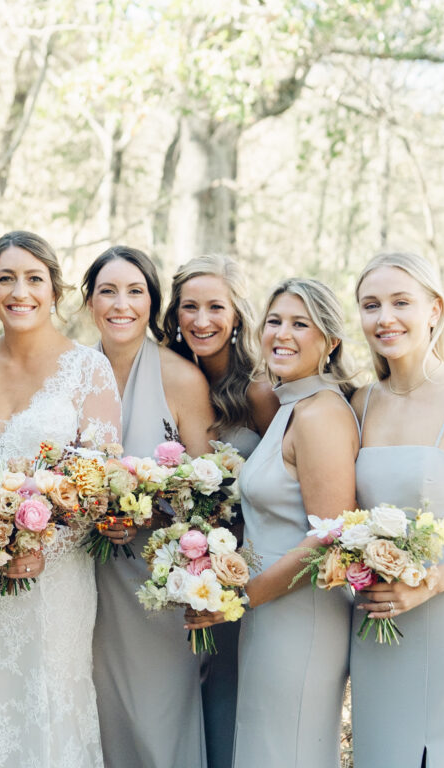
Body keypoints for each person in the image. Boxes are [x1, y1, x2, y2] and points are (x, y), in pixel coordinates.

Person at [0, 230, 120, 768]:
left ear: (54, 289)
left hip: (55, 575)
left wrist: (40, 543)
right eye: (6, 279)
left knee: (50, 701)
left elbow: (99, 476)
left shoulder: (88, 368)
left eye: (34, 279)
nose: (21, 291)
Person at [186, 277, 359, 768]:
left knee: (287, 751)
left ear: (330, 341)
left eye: (299, 324)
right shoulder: (290, 407)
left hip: (301, 618)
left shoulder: (321, 414)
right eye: (276, 321)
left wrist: (241, 600)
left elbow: (329, 541)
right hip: (268, 612)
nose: (282, 334)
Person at [86, 245, 215, 768]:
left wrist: (152, 515)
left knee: (158, 720)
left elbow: (212, 494)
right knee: (97, 716)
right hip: (85, 578)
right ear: (89, 302)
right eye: (108, 291)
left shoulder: (181, 378)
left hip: (158, 581)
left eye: (135, 291)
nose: (122, 304)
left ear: (152, 302)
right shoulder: (72, 372)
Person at [349, 252, 444, 766]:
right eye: (371, 305)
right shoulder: (358, 403)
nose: (385, 318)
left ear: (435, 310)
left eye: (401, 302)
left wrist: (433, 583)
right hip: (378, 620)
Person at [162, 254, 278, 768]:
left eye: (215, 307)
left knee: (226, 700)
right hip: (176, 564)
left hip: (246, 567)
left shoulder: (259, 389)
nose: (201, 320)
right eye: (189, 307)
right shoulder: (164, 377)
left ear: (237, 316)